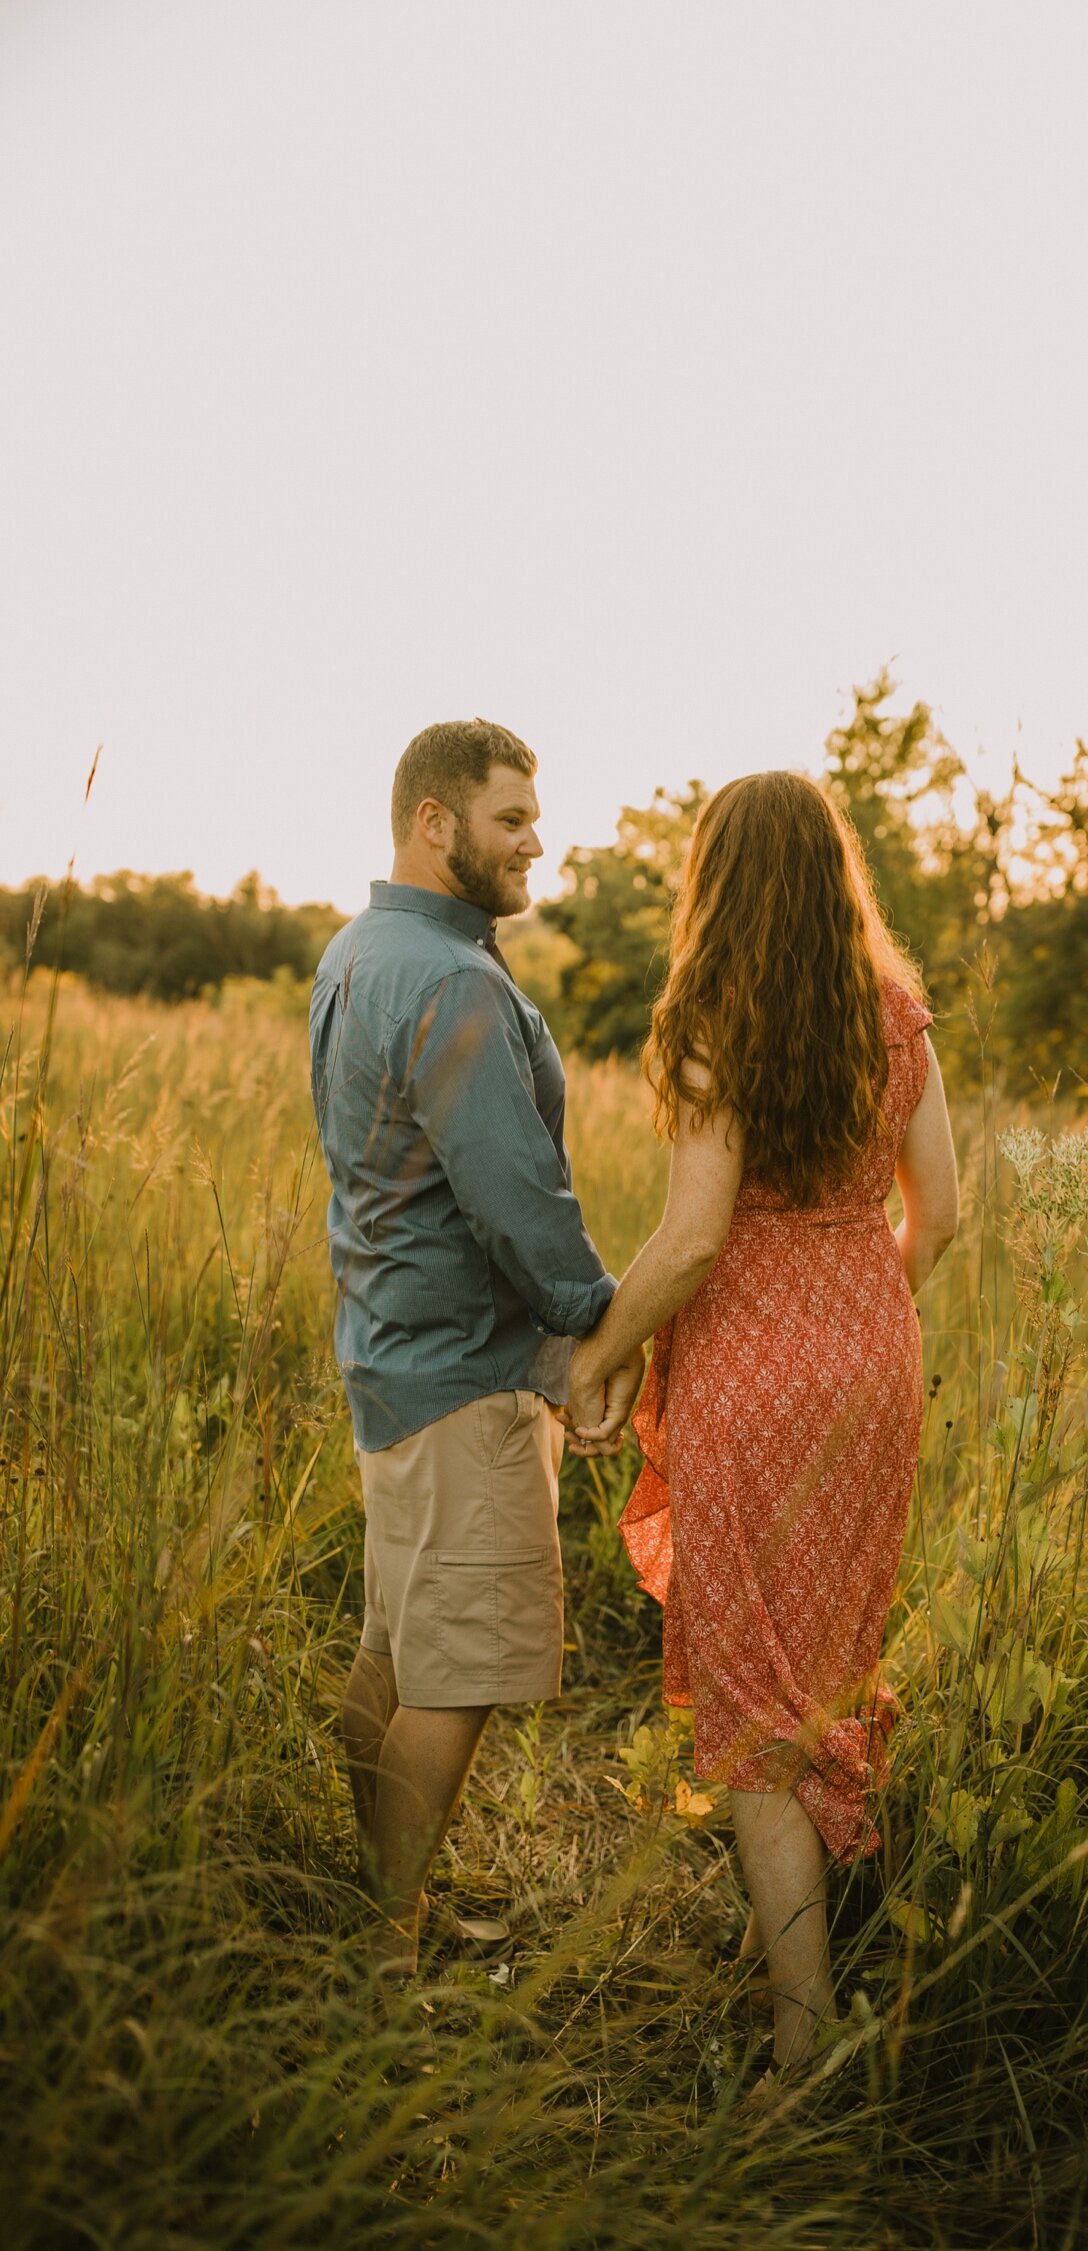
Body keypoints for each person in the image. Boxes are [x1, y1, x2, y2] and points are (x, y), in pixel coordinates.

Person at [566, 771, 959, 2075]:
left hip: (753, 1380)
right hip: (877, 1368)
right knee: (831, 1663)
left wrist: (600, 1353)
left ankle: (807, 2049)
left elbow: (688, 1242)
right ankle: (806, 1934)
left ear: (717, 880)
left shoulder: (713, 1019)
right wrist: (854, 1323)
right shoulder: (899, 1016)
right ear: (836, 870)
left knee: (751, 1709)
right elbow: (941, 1217)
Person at [309, 717, 641, 1974]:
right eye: (511, 820)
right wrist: (601, 1326)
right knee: (453, 1677)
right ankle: (386, 1948)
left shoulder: (357, 952)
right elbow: (516, 1198)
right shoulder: (450, 979)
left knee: (395, 1648)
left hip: (390, 1359)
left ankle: (375, 1898)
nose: (536, 843)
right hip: (463, 1374)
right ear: (435, 822)